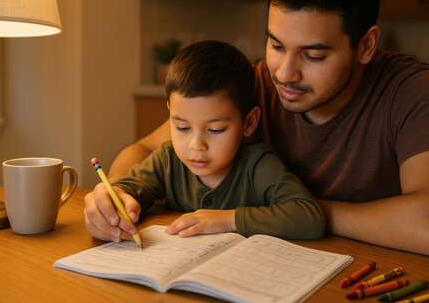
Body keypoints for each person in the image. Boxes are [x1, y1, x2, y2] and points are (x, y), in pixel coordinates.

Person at [85, 0, 429, 258]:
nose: (285, 73)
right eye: (276, 44)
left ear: (366, 45)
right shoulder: (253, 84)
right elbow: (148, 149)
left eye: (314, 56)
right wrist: (115, 197)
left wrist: (301, 212)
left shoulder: (418, 92)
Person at [84, 40, 325, 241]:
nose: (195, 145)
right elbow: (128, 189)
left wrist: (229, 220)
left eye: (216, 130)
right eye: (182, 127)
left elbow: (309, 218)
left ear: (249, 123)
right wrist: (113, 205)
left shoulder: (258, 165)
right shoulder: (167, 160)